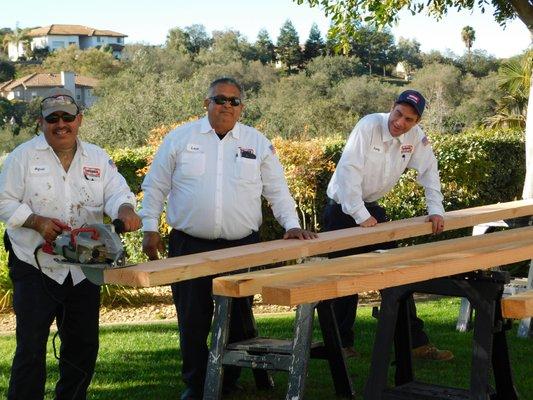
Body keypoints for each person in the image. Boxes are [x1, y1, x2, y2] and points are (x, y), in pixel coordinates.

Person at [140, 77, 317, 400]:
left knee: (238, 320)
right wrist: (149, 228)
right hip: (189, 246)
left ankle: (228, 381)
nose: (226, 105)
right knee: (192, 320)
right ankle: (195, 385)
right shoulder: (179, 139)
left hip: (241, 248)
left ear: (241, 108)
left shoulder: (257, 142)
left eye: (233, 101)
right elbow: (155, 185)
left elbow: (277, 190)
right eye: (219, 99)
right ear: (205, 103)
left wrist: (291, 223)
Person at [0, 88, 141, 400]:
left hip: (84, 264)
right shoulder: (22, 157)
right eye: (53, 118)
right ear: (41, 122)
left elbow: (118, 192)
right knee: (31, 346)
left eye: (67, 117)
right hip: (35, 265)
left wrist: (126, 209)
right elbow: (4, 202)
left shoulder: (98, 158)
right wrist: (36, 221)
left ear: (80, 119)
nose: (60, 124)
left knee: (83, 346)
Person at [324, 89, 453, 361]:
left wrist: (436, 211)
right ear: (391, 107)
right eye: (398, 114)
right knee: (346, 280)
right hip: (342, 210)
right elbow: (349, 172)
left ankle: (415, 343)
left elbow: (430, 170)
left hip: (371, 210)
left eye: (409, 119)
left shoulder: (416, 138)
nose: (400, 123)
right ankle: (340, 345)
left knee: (397, 276)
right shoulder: (368, 126)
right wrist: (360, 216)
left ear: (416, 122)